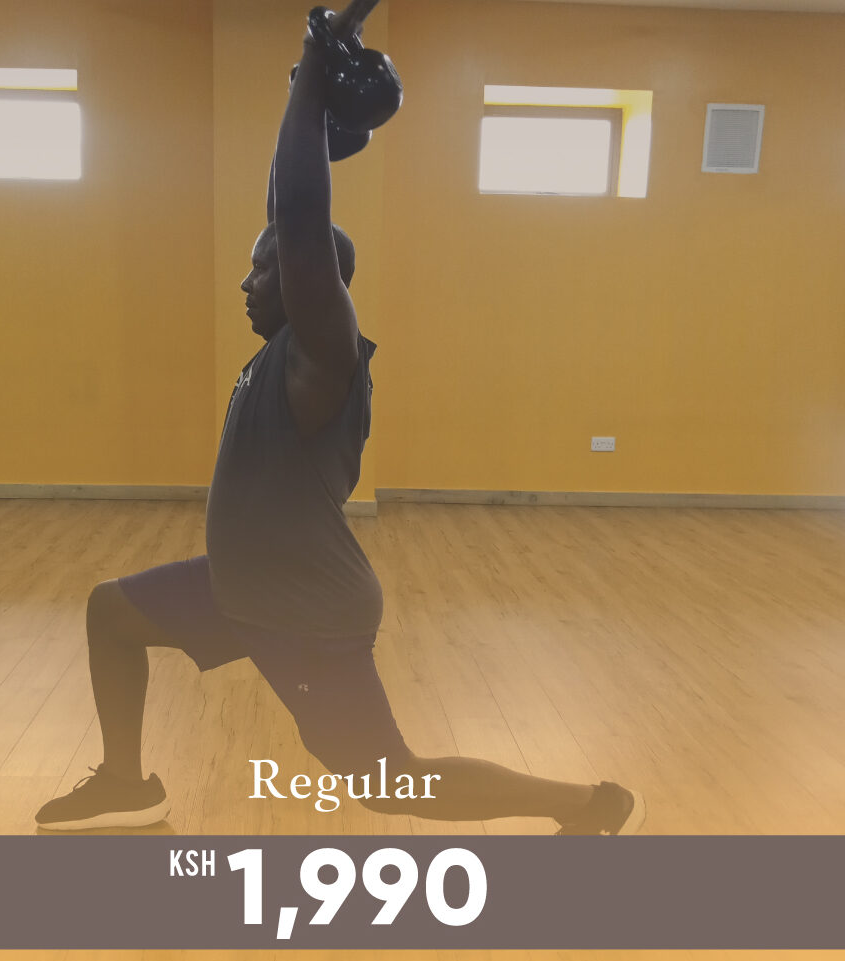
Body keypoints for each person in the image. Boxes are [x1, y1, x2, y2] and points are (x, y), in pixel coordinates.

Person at [34, 1, 644, 835]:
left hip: (305, 611)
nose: (246, 282)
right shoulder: (281, 349)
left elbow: (297, 217)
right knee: (113, 612)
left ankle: (589, 806)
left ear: (308, 281)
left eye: (264, 271)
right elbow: (281, 206)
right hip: (241, 583)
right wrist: (309, 103)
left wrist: (315, 74)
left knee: (393, 786)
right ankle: (124, 784)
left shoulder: (325, 356)